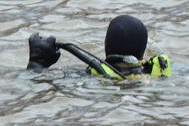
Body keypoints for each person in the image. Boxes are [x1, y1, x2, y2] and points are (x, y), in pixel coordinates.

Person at [27, 15, 171, 80]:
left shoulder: (90, 76)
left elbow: (31, 83)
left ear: (107, 44)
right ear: (143, 47)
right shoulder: (158, 71)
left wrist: (36, 63)